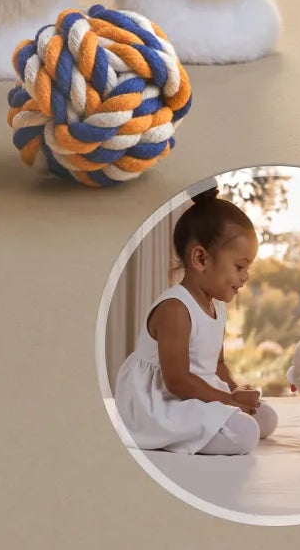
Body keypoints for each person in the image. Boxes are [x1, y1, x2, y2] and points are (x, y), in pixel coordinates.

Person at [113, 186, 279, 454]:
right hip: (163, 400)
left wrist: (237, 391)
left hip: (198, 391)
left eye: (247, 268)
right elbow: (176, 380)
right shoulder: (175, 309)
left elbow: (219, 363)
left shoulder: (217, 305)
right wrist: (229, 401)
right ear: (201, 258)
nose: (246, 276)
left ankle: (217, 420)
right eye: (239, 267)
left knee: (266, 417)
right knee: (245, 433)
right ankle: (173, 432)